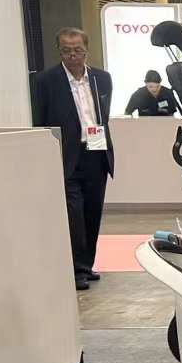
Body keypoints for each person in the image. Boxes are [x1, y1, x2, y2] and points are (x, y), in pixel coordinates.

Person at [33, 27, 114, 291]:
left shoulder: (102, 79)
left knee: (92, 212)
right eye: (66, 51)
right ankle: (76, 268)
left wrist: (100, 146)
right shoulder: (46, 81)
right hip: (67, 156)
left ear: (86, 50)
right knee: (74, 216)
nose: (72, 56)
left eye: (77, 50)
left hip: (96, 151)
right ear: (59, 51)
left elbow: (103, 115)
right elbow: (41, 120)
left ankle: (87, 264)